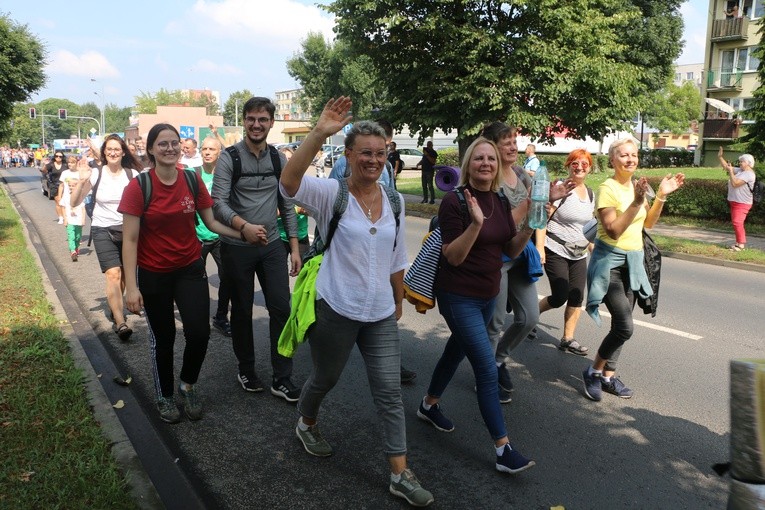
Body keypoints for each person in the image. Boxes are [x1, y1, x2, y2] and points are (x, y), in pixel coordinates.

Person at [280, 97, 434, 508]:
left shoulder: (395, 201)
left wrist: (398, 300)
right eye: (365, 153)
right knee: (325, 378)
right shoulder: (332, 194)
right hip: (336, 307)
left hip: (379, 312)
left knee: (389, 393)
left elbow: (397, 256)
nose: (374, 160)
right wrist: (318, 132)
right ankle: (306, 423)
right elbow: (288, 183)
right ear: (348, 155)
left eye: (380, 153)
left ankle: (399, 474)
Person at [416, 136, 536, 476]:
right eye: (479, 158)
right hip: (458, 296)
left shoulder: (499, 198)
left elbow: (509, 250)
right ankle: (503, 449)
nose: (486, 163)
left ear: (497, 167)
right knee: (485, 368)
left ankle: (428, 405)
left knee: (455, 351)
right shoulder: (453, 202)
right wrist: (475, 224)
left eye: (491, 159)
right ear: (468, 164)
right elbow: (452, 257)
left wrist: (532, 223)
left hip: (487, 294)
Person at [120, 123, 246, 424]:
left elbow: (212, 223)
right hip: (154, 273)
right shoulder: (139, 187)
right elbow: (130, 240)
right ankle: (164, 395)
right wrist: (131, 288)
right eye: (162, 144)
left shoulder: (191, 179)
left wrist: (244, 233)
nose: (170, 148)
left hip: (189, 267)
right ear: (151, 149)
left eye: (174, 143)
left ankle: (187, 385)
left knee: (200, 333)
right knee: (163, 338)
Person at [211, 96, 302, 402]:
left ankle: (282, 377)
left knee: (281, 308)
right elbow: (218, 202)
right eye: (251, 119)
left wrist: (294, 248)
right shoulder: (230, 158)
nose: (256, 124)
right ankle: (246, 369)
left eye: (263, 119)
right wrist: (243, 227)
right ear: (244, 121)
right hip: (237, 246)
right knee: (242, 310)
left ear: (271, 123)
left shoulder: (278, 159)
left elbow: (287, 205)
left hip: (272, 245)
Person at [582, 138, 684, 401]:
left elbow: (647, 223)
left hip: (633, 264)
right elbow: (613, 231)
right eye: (624, 155)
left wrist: (660, 195)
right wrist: (636, 202)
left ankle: (608, 376)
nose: (630, 159)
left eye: (634, 155)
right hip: (610, 265)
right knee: (625, 327)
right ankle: (593, 371)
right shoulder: (608, 188)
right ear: (612, 160)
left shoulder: (639, 186)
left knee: (619, 325)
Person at [70, 135, 143, 341]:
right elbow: (75, 202)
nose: (113, 152)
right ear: (104, 152)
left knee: (125, 275)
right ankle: (120, 322)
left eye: (116, 149)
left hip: (129, 230)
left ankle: (115, 305)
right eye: (109, 149)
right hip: (103, 229)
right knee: (113, 274)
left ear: (123, 152)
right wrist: (81, 181)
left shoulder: (133, 174)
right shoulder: (96, 174)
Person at [536, 149, 596, 356]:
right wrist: (539, 247)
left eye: (584, 164)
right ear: (568, 165)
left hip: (579, 253)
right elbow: (543, 218)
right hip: (555, 248)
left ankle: (567, 339)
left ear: (590, 168)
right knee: (560, 295)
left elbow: (588, 227)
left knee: (577, 296)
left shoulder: (590, 194)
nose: (579, 167)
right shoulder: (561, 188)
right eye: (575, 163)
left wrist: (594, 250)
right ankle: (531, 316)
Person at [191, 136, 233, 336]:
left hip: (220, 236)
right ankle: (197, 318)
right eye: (204, 149)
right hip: (197, 237)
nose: (207, 152)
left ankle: (221, 317)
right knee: (196, 280)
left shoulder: (226, 176)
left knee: (227, 277)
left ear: (219, 153)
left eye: (212, 149)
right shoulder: (193, 174)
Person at [328, 119, 395, 188]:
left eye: (381, 152)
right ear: (348, 155)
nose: (374, 160)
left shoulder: (387, 166)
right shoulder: (342, 164)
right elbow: (331, 191)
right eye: (367, 152)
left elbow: (391, 192)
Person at [718, 147, 756, 251]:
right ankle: (738, 243)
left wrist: (731, 172)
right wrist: (720, 157)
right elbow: (726, 167)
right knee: (736, 223)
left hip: (742, 203)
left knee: (737, 222)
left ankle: (741, 245)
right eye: (740, 161)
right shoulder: (741, 171)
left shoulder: (749, 174)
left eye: (742, 161)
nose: (740, 163)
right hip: (735, 201)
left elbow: (735, 183)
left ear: (748, 163)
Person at [58, 157, 86, 261]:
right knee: (71, 235)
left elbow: (84, 185)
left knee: (78, 236)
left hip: (77, 198)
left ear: (76, 163)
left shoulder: (79, 173)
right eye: (68, 163)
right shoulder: (65, 173)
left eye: (72, 162)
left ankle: (76, 247)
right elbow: (61, 185)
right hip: (67, 198)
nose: (70, 164)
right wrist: (59, 196)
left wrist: (83, 219)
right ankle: (73, 251)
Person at [44, 151, 67, 223]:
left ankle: (65, 216)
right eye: (57, 156)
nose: (58, 157)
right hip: (54, 185)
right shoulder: (51, 164)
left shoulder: (65, 165)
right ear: (54, 157)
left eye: (60, 156)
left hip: (64, 185)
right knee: (58, 202)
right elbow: (43, 170)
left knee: (65, 202)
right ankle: (61, 218)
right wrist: (44, 165)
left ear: (62, 157)